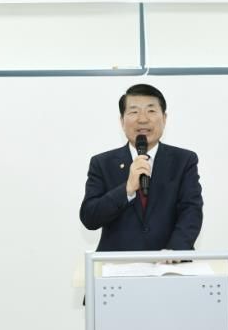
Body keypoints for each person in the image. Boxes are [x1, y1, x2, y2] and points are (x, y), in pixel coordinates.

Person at [79, 84, 203, 251]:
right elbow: (89, 218)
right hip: (117, 263)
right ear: (122, 121)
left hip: (169, 261)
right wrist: (127, 189)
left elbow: (191, 212)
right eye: (134, 112)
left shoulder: (184, 161)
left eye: (151, 111)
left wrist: (173, 252)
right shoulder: (102, 163)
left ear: (164, 118)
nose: (143, 119)